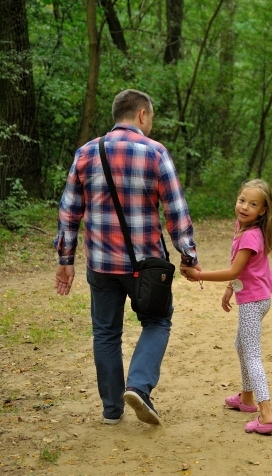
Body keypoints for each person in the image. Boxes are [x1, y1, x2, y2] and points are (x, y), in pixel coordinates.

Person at [53, 89, 200, 426]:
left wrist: (65, 261)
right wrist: (188, 255)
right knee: (158, 321)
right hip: (145, 268)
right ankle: (138, 386)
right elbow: (176, 212)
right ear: (143, 114)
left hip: (101, 265)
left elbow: (69, 211)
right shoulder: (155, 153)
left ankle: (111, 410)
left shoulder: (87, 152)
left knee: (105, 333)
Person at [184, 179, 272, 435]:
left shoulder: (251, 235)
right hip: (254, 297)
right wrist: (229, 288)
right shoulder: (242, 227)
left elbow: (235, 268)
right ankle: (247, 399)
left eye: (253, 204)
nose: (245, 207)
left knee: (251, 354)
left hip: (253, 302)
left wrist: (198, 276)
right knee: (241, 345)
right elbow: (243, 270)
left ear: (263, 211)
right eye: (242, 200)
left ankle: (266, 413)